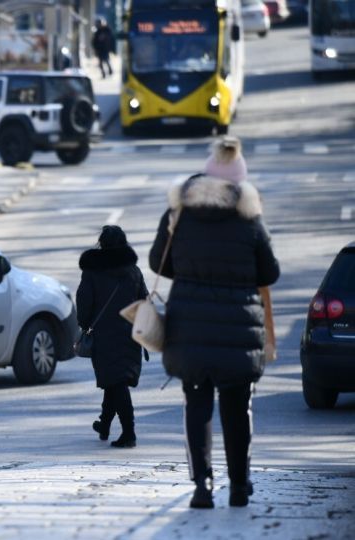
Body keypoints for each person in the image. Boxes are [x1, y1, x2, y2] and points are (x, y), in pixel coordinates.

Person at [149, 136, 280, 509]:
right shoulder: (249, 218)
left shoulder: (179, 214)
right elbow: (269, 270)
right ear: (239, 183)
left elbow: (160, 262)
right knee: (238, 408)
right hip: (238, 328)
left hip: (189, 326)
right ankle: (239, 486)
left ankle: (202, 486)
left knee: (196, 405)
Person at [77, 225, 149, 448]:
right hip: (130, 334)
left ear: (102, 243)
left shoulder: (92, 271)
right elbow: (144, 302)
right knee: (115, 381)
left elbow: (84, 303)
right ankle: (105, 424)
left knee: (115, 382)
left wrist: (85, 324)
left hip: (104, 336)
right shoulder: (133, 271)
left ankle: (129, 432)